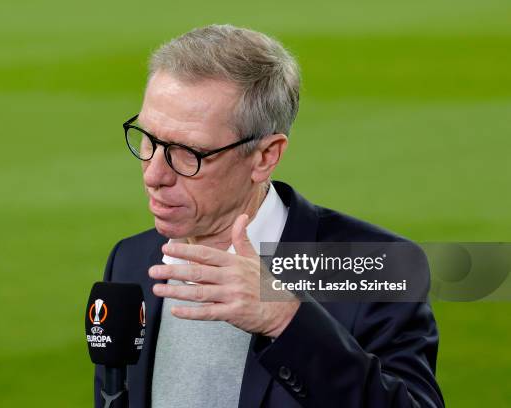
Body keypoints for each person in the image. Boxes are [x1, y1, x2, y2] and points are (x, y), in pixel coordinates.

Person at [95, 24, 444, 408]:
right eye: (150, 139)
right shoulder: (130, 261)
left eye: (187, 153)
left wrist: (286, 320)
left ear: (266, 156)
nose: (154, 175)